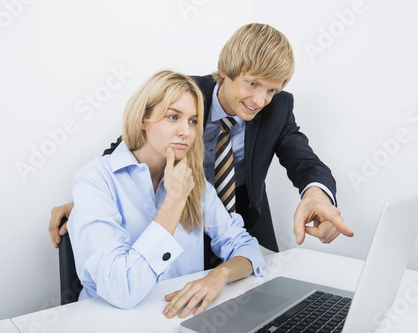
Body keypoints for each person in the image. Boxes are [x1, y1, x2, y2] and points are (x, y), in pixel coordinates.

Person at [50, 23, 353, 262]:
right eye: (252, 84)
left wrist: (317, 197)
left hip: (241, 235)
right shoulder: (184, 96)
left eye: (271, 90)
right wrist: (94, 199)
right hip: (181, 231)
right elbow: (130, 145)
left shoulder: (279, 107)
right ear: (224, 72)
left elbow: (305, 161)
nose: (260, 100)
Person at [67, 70, 264, 316]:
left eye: (193, 121)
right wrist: (174, 200)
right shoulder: (95, 180)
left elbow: (245, 246)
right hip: (112, 322)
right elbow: (122, 290)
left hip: (178, 317)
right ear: (142, 120)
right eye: (173, 117)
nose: (187, 132)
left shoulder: (193, 181)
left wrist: (220, 275)